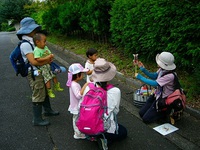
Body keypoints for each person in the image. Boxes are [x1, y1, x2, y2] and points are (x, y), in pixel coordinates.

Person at [16, 17, 59, 126]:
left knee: (44, 90)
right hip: (35, 73)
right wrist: (47, 60)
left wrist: (47, 60)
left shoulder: (33, 42)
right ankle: (37, 119)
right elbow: (33, 62)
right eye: (34, 30)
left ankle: (48, 110)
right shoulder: (25, 44)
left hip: (41, 71)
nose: (36, 31)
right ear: (29, 31)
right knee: (38, 93)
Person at [82, 58, 127, 150]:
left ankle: (93, 136)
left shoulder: (88, 88)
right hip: (104, 127)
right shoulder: (115, 91)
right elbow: (115, 111)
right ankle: (104, 139)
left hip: (87, 125)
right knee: (123, 132)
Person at [134, 52, 177, 123]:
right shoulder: (162, 69)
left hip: (163, 99)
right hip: (157, 94)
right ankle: (157, 111)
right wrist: (143, 69)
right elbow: (154, 76)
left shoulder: (171, 76)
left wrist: (140, 77)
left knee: (146, 119)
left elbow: (155, 83)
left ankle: (165, 112)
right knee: (141, 113)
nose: (157, 63)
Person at [33, 33, 64, 98]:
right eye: (44, 41)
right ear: (37, 42)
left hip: (49, 64)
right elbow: (37, 59)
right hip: (43, 66)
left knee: (54, 75)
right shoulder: (36, 50)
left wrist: (51, 56)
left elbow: (49, 53)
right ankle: (49, 90)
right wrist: (47, 58)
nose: (45, 43)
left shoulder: (45, 47)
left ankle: (56, 86)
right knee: (48, 78)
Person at [66, 63, 89, 139]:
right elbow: (78, 95)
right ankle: (77, 134)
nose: (83, 76)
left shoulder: (74, 83)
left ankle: (79, 132)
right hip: (76, 106)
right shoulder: (74, 84)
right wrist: (85, 85)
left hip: (76, 105)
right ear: (77, 75)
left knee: (77, 119)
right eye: (82, 74)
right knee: (76, 120)